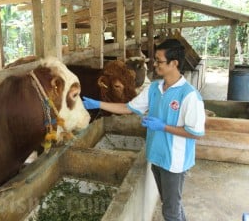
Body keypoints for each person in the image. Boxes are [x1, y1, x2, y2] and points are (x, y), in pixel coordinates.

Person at [83, 39, 206, 221]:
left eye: (159, 61)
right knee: (170, 204)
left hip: (174, 162)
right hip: (156, 156)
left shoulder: (189, 95)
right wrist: (97, 103)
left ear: (174, 63)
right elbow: (128, 108)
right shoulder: (155, 88)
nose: (155, 64)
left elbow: (195, 132)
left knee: (170, 212)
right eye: (155, 59)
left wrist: (163, 127)